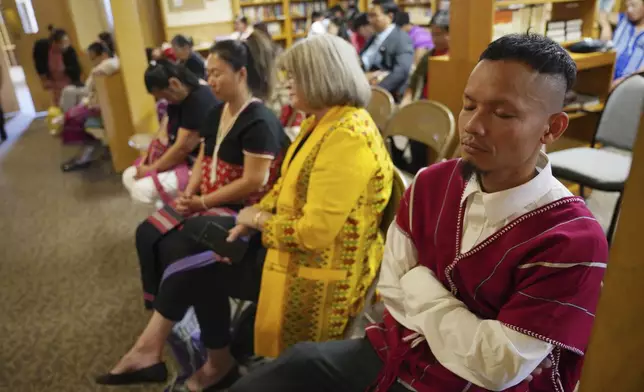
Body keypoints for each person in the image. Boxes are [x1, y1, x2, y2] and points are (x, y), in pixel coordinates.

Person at [228, 33, 609, 392]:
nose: (473, 126)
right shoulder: (432, 182)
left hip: (467, 385)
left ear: (551, 128)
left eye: (503, 115)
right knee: (290, 369)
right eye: (469, 105)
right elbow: (391, 287)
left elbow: (497, 367)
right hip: (396, 351)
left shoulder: (572, 238)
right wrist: (466, 324)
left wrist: (419, 283)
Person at [96, 31, 287, 390]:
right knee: (148, 233)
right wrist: (189, 191)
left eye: (218, 73)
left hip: (246, 212)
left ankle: (176, 347)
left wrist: (201, 202)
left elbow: (252, 182)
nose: (210, 80)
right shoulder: (218, 113)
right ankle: (173, 321)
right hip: (214, 200)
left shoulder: (259, 120)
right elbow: (202, 157)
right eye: (209, 72)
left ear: (242, 74)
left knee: (182, 248)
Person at [226, 33, 393, 362]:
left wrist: (257, 221)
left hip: (321, 278)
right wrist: (254, 215)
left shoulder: (348, 135)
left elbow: (313, 234)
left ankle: (219, 362)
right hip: (300, 256)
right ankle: (221, 358)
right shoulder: (320, 122)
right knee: (198, 257)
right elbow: (283, 186)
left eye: (295, 77)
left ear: (321, 78)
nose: (288, 84)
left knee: (200, 266)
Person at [122, 60, 218, 205]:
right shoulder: (178, 100)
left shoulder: (199, 100)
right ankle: (164, 211)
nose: (166, 101)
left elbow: (182, 148)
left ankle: (162, 221)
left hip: (198, 165)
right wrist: (149, 159)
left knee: (141, 189)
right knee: (129, 176)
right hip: (183, 160)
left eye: (165, 96)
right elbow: (163, 134)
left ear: (174, 83)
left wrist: (151, 169)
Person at [392, 10, 450, 176]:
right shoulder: (427, 57)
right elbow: (414, 83)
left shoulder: (454, 60)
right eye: (433, 34)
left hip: (438, 111)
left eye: (439, 34)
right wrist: (405, 105)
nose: (435, 39)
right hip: (422, 106)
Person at [60, 42, 120, 170]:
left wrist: (94, 72)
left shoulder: (108, 65)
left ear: (103, 55)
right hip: (96, 101)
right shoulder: (107, 65)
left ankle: (85, 156)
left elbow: (89, 88)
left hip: (100, 106)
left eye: (94, 58)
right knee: (71, 112)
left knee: (72, 117)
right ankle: (84, 154)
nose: (93, 62)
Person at [361, 0, 414, 100]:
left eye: (374, 16)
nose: (370, 20)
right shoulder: (373, 37)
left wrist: (377, 91)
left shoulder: (401, 39)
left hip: (385, 95)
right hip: (364, 87)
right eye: (369, 16)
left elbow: (401, 71)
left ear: (390, 16)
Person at [33, 27, 82, 106]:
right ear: (54, 43)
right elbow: (39, 64)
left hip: (67, 80)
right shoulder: (41, 47)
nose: (65, 45)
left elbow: (76, 69)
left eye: (66, 42)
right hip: (53, 81)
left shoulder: (69, 51)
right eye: (62, 43)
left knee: (70, 101)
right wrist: (44, 79)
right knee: (58, 103)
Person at [599, 0, 644, 85]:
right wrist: (606, 27)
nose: (629, 10)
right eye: (627, 6)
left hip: (632, 83)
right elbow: (601, 14)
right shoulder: (623, 18)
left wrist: (623, 82)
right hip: (608, 75)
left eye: (633, 6)